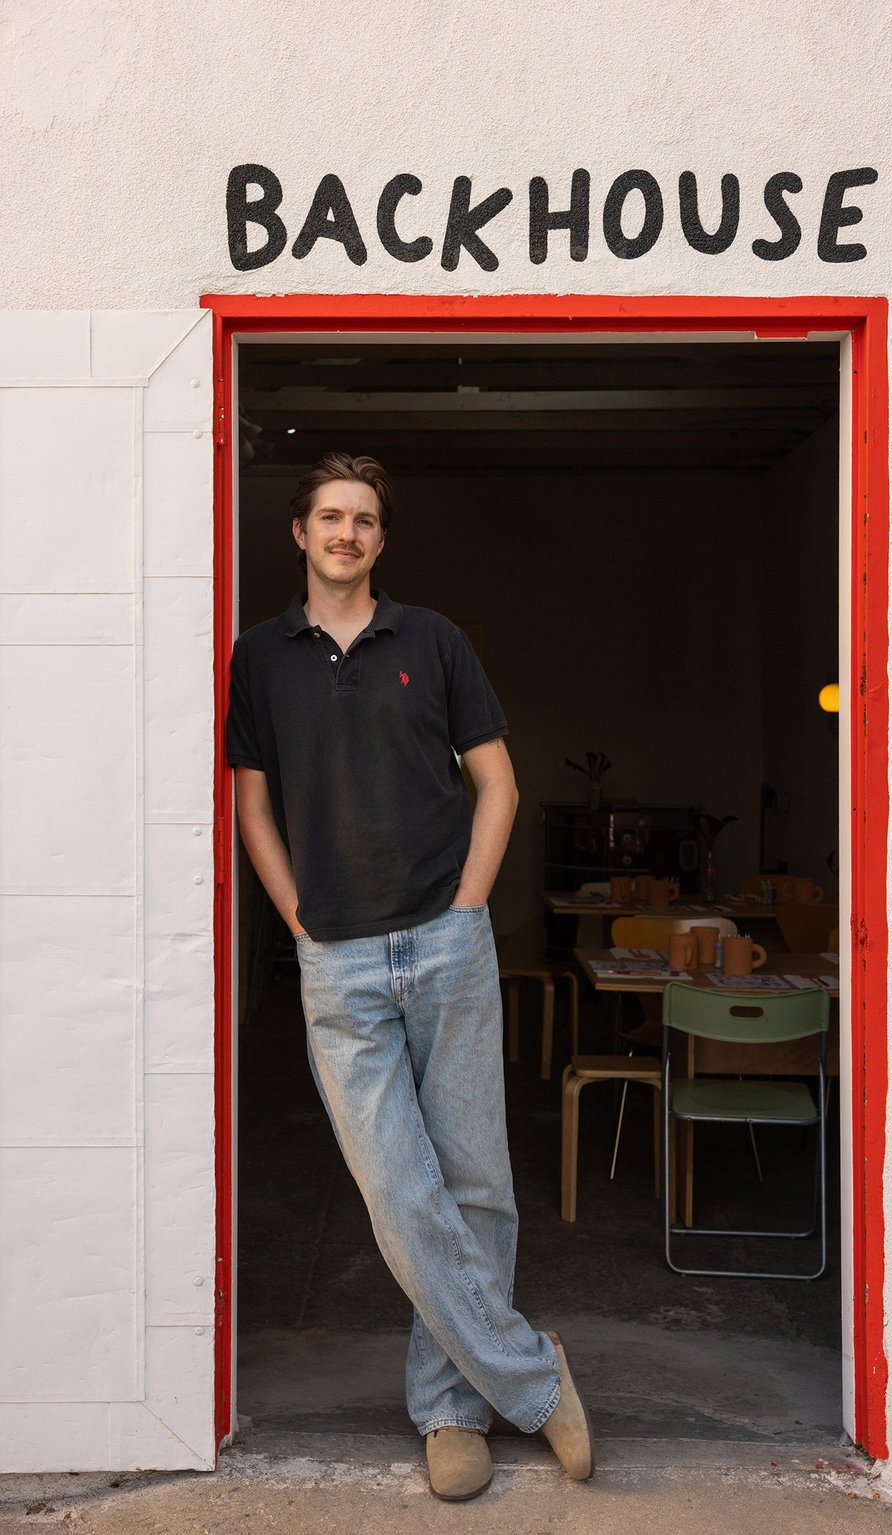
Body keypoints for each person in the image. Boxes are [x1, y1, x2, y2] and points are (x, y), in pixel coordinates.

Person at [226, 451, 594, 1501]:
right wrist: (301, 920)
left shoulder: (433, 641)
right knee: (397, 1191)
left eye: (365, 519)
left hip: (445, 940)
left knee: (475, 1181)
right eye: (330, 516)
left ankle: (451, 1409)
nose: (346, 532)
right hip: (338, 958)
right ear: (299, 531)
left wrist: (469, 904)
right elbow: (253, 804)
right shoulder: (259, 656)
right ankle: (534, 1375)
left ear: (382, 538)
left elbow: (497, 783)